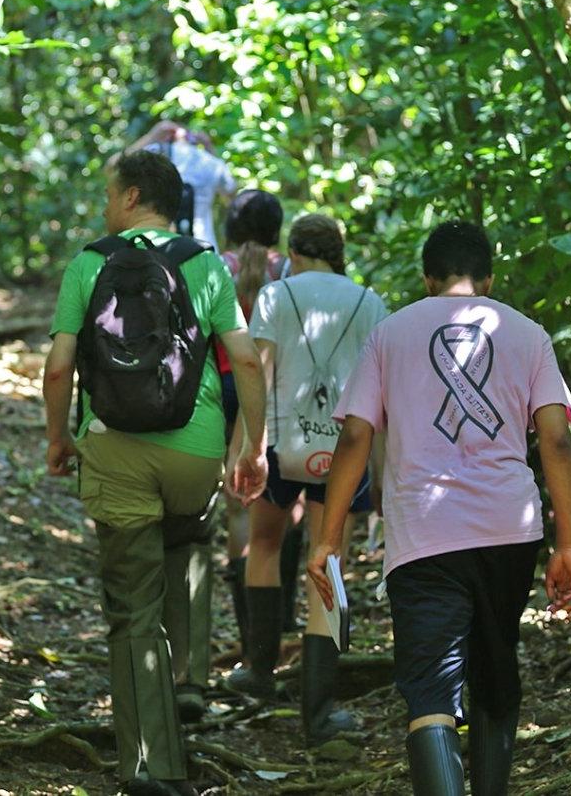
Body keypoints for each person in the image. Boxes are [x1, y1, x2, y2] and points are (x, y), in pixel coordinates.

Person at [308, 220, 571, 796]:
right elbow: (556, 440)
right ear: (488, 278)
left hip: (423, 532)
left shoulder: (390, 334)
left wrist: (328, 538)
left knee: (431, 689)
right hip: (511, 527)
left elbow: (355, 437)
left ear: (428, 278)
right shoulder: (528, 334)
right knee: (493, 664)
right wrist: (569, 544)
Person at [43, 150, 267, 796]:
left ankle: (149, 763)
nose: (105, 205)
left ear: (133, 195)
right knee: (187, 540)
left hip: (113, 446)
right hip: (194, 452)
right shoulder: (206, 265)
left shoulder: (91, 261)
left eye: (110, 193)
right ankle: (188, 680)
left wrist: (60, 438)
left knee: (133, 608)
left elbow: (59, 367)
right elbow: (246, 361)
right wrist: (249, 445)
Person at [226, 213, 388, 746]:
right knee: (329, 559)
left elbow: (260, 368)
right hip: (342, 449)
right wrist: (382, 474)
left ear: (293, 252)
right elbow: (378, 392)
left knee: (266, 543)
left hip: (279, 443)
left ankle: (258, 671)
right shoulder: (369, 302)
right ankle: (320, 711)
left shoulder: (276, 295)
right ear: (337, 252)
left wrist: (245, 448)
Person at [216, 189, 304, 652]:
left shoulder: (217, 266)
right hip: (279, 390)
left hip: (227, 388)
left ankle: (250, 629)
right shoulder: (289, 270)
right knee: (286, 497)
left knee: (237, 503)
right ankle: (281, 612)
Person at [125, 119, 236, 249]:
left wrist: (151, 137)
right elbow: (231, 195)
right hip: (204, 246)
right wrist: (209, 148)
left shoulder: (155, 155)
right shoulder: (210, 163)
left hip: (160, 247)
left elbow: (114, 167)